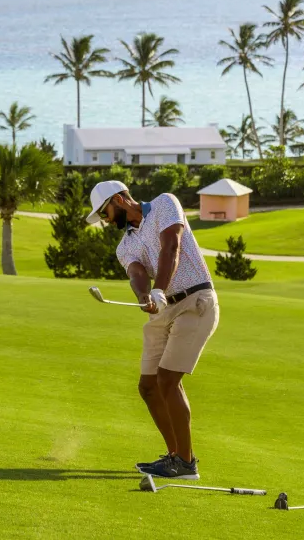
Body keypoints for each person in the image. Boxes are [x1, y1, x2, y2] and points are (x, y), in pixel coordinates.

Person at [86, 178, 219, 480]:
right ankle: (175, 456)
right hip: (162, 308)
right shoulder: (125, 244)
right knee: (148, 386)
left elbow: (170, 246)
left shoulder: (164, 203)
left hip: (195, 300)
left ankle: (186, 464)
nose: (104, 221)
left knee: (168, 380)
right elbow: (136, 272)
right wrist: (145, 295)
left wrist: (159, 289)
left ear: (118, 200)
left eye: (104, 212)